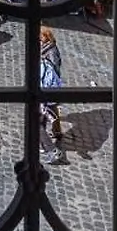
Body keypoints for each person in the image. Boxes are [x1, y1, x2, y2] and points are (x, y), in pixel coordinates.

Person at [38, 28, 70, 165]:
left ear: (46, 37)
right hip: (47, 93)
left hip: (47, 92)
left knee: (37, 123)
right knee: (43, 119)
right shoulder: (46, 49)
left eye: (40, 38)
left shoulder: (50, 54)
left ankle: (52, 150)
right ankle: (47, 143)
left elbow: (51, 74)